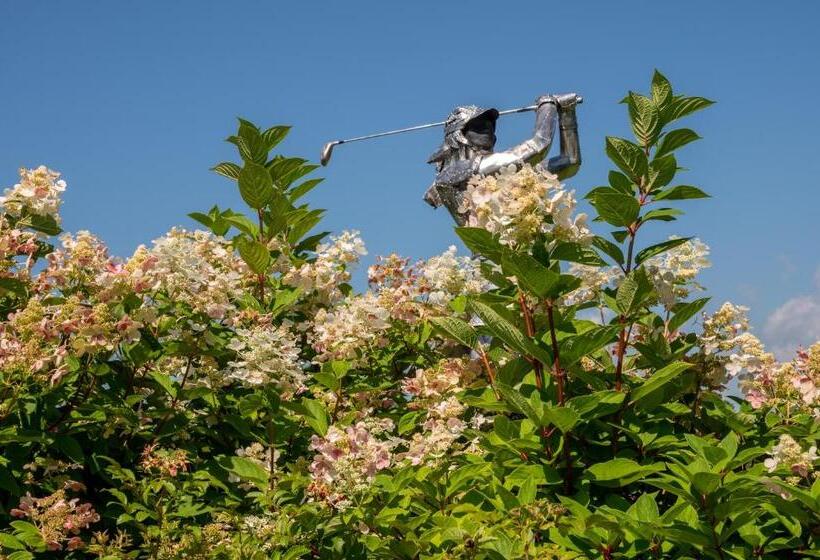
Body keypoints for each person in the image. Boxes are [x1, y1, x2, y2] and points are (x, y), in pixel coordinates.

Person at [423, 93, 581, 225]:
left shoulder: (506, 174)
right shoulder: (455, 172)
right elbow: (539, 145)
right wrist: (547, 105)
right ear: (459, 135)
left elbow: (570, 162)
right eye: (478, 126)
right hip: (490, 259)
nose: (488, 128)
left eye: (490, 126)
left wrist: (567, 113)